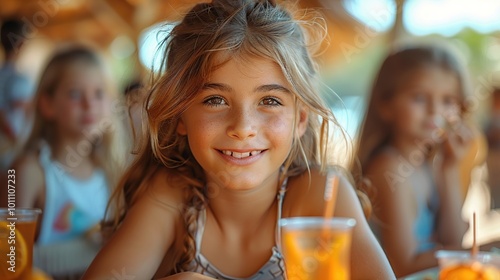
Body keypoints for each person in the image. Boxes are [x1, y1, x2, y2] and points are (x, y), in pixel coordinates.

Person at [82, 0, 396, 279]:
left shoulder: (322, 198)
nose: (243, 127)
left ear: (300, 119)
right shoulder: (171, 197)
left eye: (270, 101)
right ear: (180, 116)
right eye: (215, 100)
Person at [352, 45, 473, 277]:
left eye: (448, 101)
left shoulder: (429, 165)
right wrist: (487, 249)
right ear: (386, 105)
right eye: (419, 98)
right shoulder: (388, 168)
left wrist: (449, 168)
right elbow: (404, 266)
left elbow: (454, 239)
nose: (435, 111)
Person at [11, 46, 127, 280]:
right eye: (75, 94)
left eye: (99, 93)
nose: (89, 104)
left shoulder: (111, 170)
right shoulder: (29, 172)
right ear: (47, 104)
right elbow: (9, 259)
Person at [0, 18, 35, 171]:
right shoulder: (20, 79)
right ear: (21, 43)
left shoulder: (9, 76)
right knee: (12, 190)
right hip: (12, 148)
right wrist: (17, 141)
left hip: (11, 146)